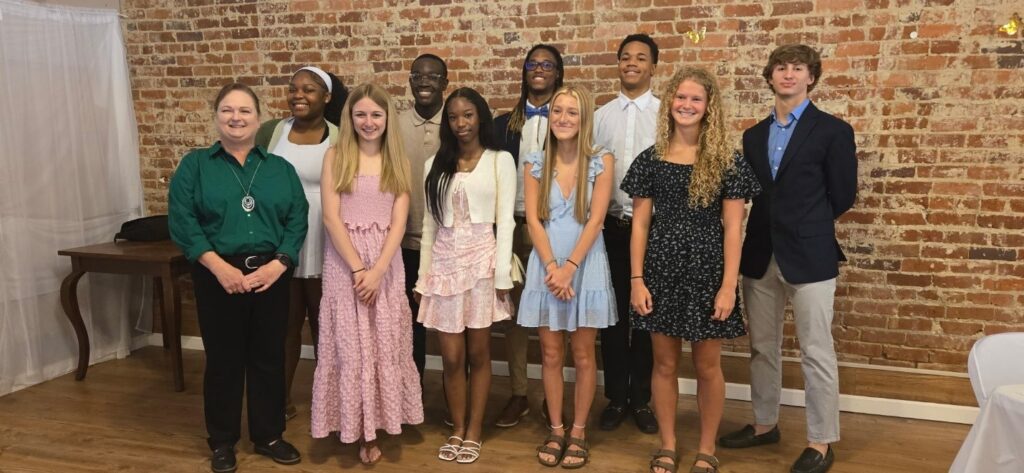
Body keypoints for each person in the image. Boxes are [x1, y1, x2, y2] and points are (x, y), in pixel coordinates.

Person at [718, 44, 857, 473]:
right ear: (770, 76)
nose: (789, 74)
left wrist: (805, 224)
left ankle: (820, 441)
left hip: (811, 254)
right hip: (761, 254)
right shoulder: (753, 135)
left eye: (798, 68)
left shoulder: (833, 131)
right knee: (762, 347)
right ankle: (764, 424)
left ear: (811, 77)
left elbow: (843, 195)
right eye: (781, 67)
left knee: (817, 350)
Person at [621, 67, 761, 473]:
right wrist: (636, 280)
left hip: (707, 273)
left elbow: (734, 228)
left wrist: (728, 286)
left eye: (695, 99)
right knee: (664, 364)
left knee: (707, 366)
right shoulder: (650, 159)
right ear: (670, 103)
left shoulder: (726, 161)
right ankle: (667, 444)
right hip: (660, 273)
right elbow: (640, 225)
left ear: (709, 106)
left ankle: (706, 447)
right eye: (680, 97)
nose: (686, 105)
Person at [169, 82, 307, 473]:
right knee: (224, 360)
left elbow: (297, 218)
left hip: (271, 274)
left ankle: (269, 435)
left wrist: (279, 264)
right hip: (216, 274)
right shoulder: (195, 166)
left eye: (245, 110)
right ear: (216, 117)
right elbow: (183, 220)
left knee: (269, 357)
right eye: (227, 110)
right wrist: (218, 267)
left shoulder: (280, 169)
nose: (236, 117)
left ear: (259, 119)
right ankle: (222, 441)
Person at [311, 83, 423, 465]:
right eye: (361, 114)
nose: (368, 121)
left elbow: (399, 222)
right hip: (345, 263)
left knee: (381, 343)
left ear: (387, 118)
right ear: (350, 117)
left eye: (376, 114)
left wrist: (378, 271)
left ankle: (378, 424)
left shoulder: (398, 160)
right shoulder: (335, 156)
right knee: (350, 345)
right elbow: (331, 217)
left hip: (386, 264)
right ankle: (355, 427)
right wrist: (360, 268)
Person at [517, 86, 616, 468]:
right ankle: (556, 428)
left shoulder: (601, 161)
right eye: (557, 111)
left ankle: (578, 431)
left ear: (584, 118)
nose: (563, 118)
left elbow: (596, 219)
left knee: (584, 353)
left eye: (572, 112)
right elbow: (533, 219)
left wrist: (570, 268)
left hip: (585, 264)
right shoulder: (534, 162)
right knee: (551, 352)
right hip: (547, 265)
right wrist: (552, 268)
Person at [416, 87, 516, 464]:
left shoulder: (499, 160)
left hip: (482, 264)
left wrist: (502, 275)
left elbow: (505, 222)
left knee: (478, 352)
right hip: (444, 265)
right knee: (451, 356)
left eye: (468, 115)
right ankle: (456, 427)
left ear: (480, 118)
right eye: (454, 116)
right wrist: (422, 277)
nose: (461, 123)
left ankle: (474, 430)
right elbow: (429, 226)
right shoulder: (434, 164)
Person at [255, 66, 348, 422]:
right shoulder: (272, 132)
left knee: (328, 327)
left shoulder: (341, 135)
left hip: (328, 238)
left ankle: (331, 403)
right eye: (293, 88)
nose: (298, 95)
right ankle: (279, 401)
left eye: (308, 90)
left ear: (326, 97)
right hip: (282, 241)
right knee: (285, 325)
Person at [491, 43, 565, 428]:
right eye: (532, 64)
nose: (539, 69)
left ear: (558, 74)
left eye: (547, 65)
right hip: (513, 226)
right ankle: (519, 392)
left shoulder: (568, 121)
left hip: (554, 228)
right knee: (515, 315)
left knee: (555, 313)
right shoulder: (502, 125)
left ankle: (556, 398)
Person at [592, 32, 660, 435]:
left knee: (648, 317)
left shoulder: (666, 114)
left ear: (653, 66)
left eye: (640, 57)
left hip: (654, 231)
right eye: (625, 57)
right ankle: (616, 397)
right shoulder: (601, 116)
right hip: (612, 229)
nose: (631, 63)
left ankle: (643, 400)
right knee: (613, 317)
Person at [398, 53, 449, 379]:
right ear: (410, 81)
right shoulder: (396, 124)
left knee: (450, 326)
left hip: (447, 244)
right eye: (418, 76)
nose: (424, 81)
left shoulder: (457, 120)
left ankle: (454, 396)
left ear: (445, 82)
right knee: (409, 323)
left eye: (432, 76)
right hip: (403, 242)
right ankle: (412, 392)